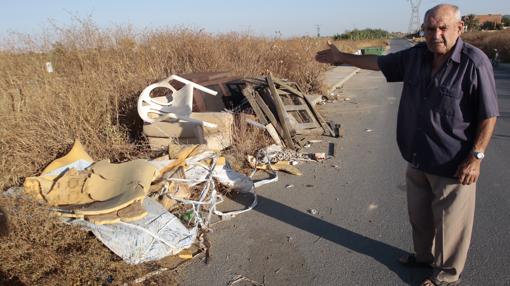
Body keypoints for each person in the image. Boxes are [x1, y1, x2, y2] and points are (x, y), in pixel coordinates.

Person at [316, 4, 498, 286]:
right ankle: (423, 257)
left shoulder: (475, 63)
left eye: (442, 28)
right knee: (419, 217)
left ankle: (446, 277)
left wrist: (476, 156)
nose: (435, 34)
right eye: (429, 29)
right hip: (416, 157)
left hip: (453, 163)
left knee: (451, 227)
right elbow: (378, 63)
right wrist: (342, 57)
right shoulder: (416, 57)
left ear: (459, 29)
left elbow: (489, 114)